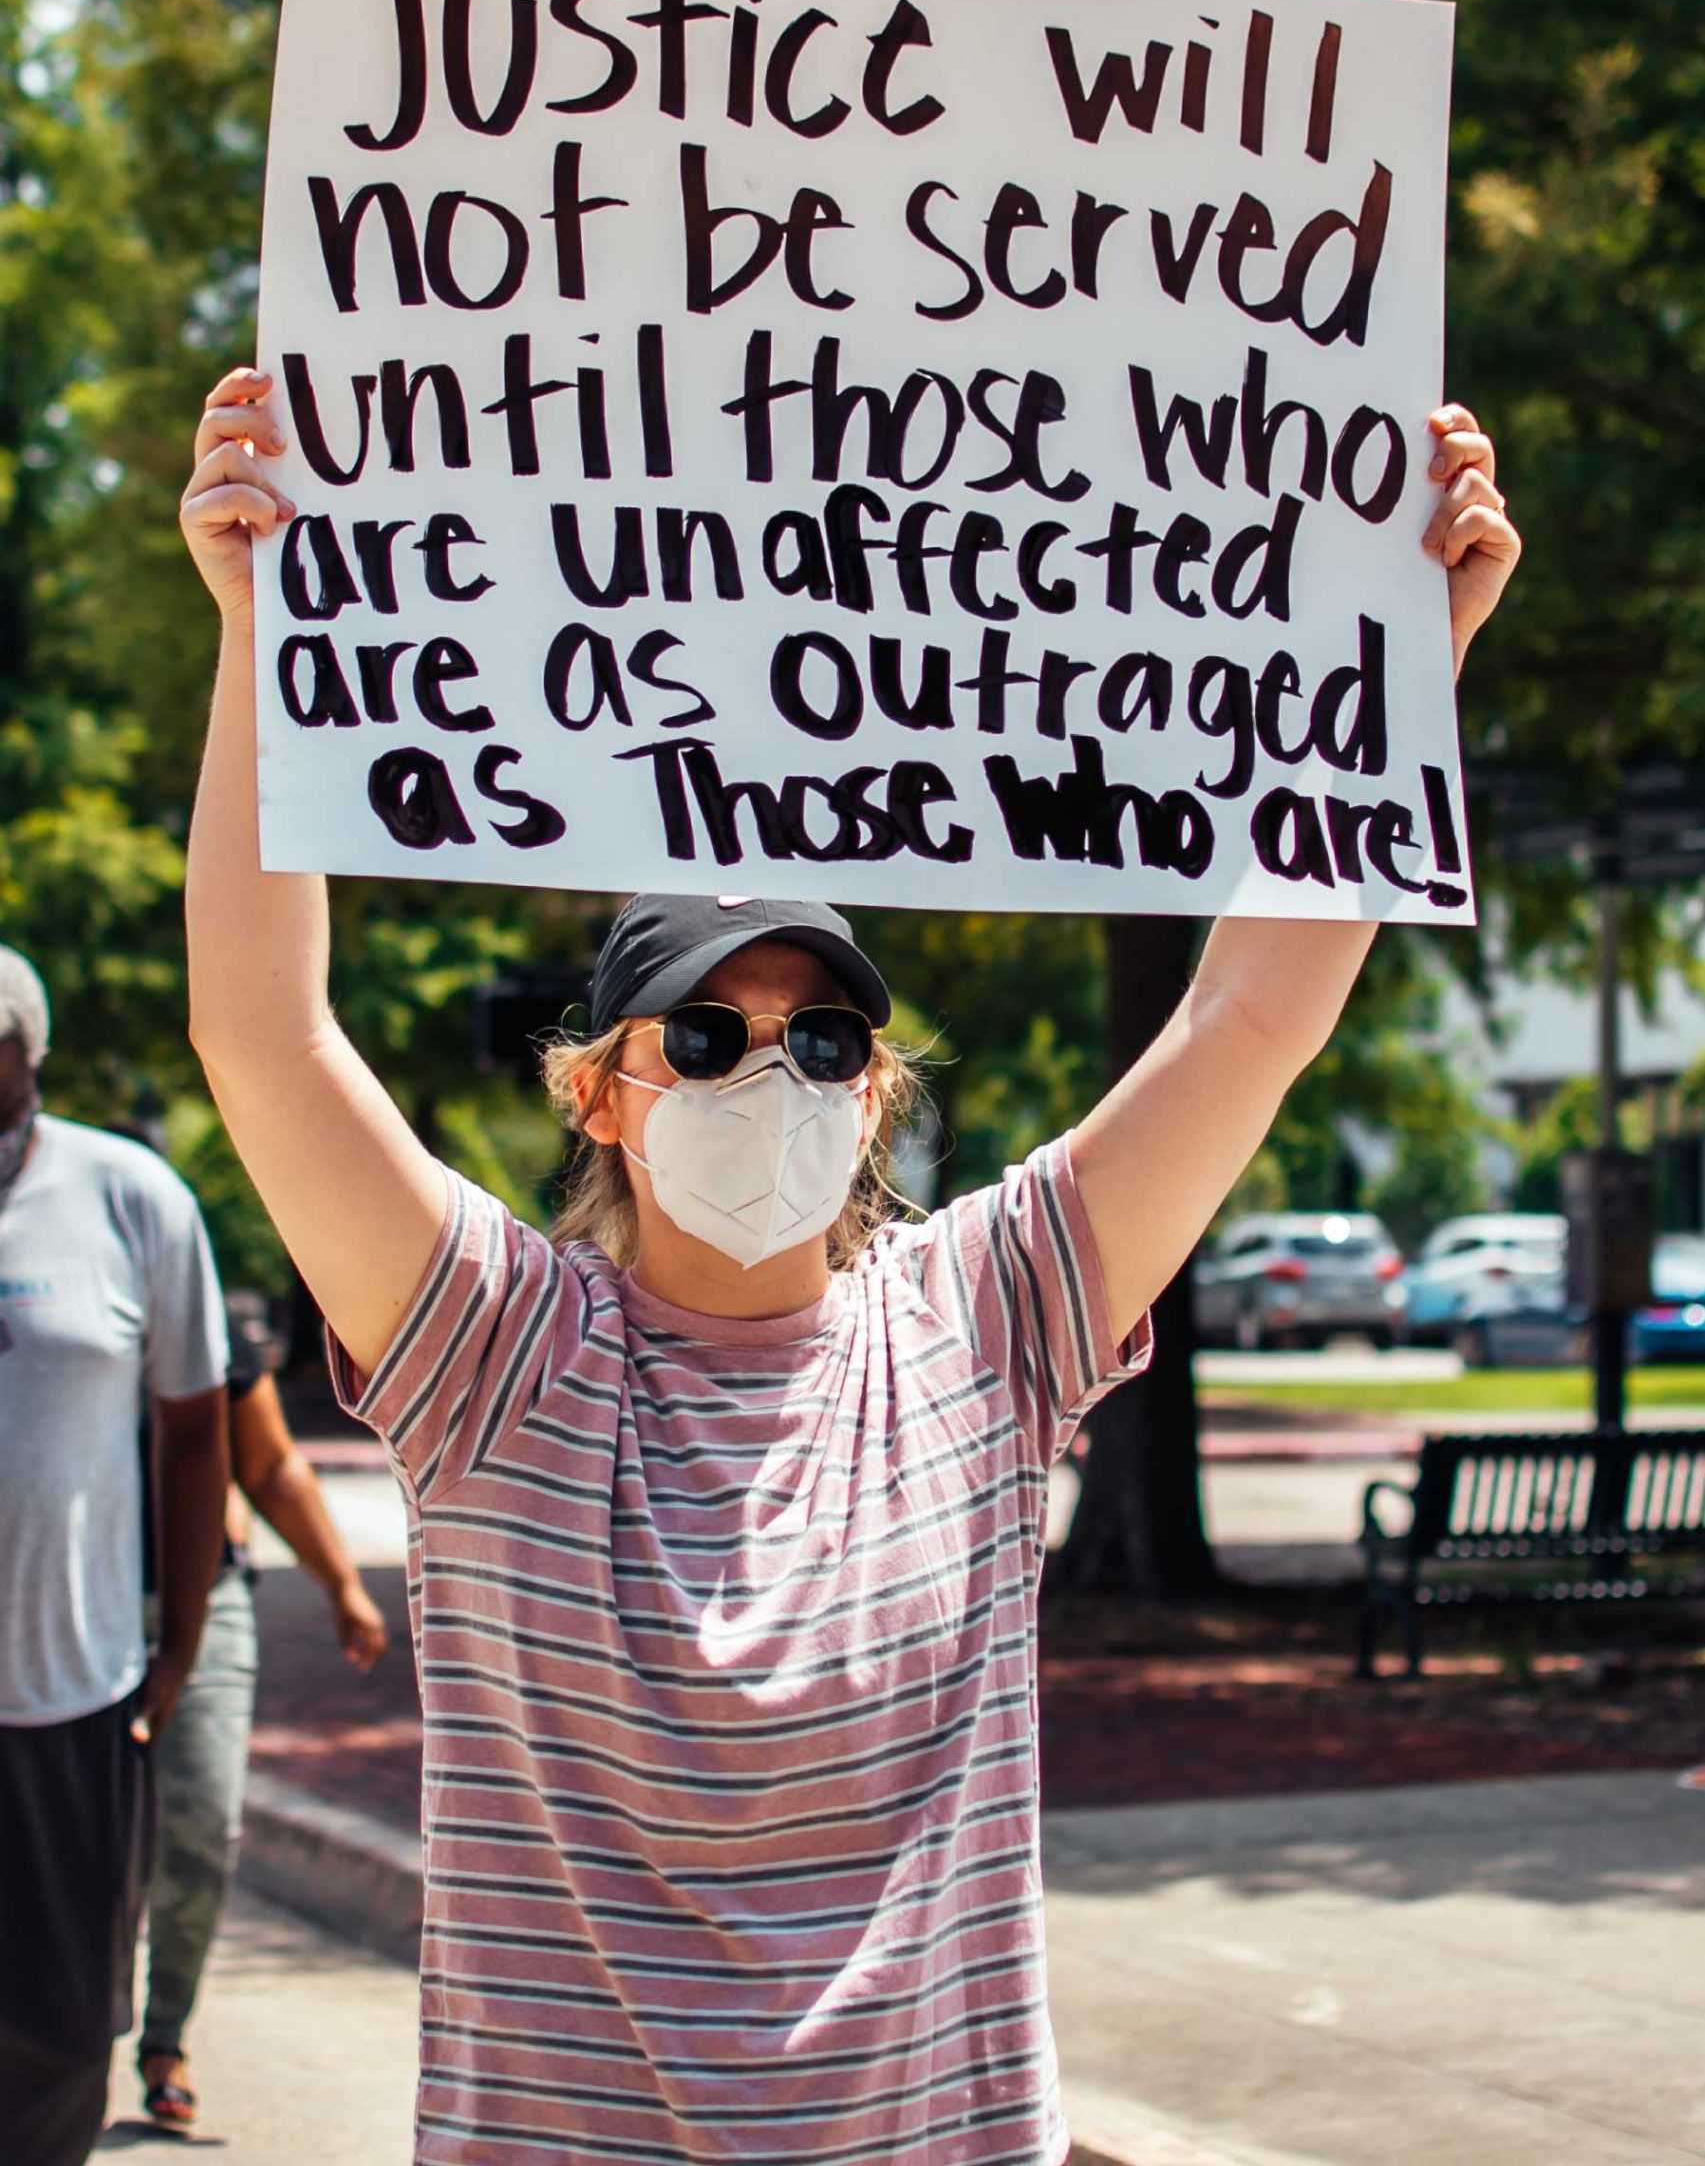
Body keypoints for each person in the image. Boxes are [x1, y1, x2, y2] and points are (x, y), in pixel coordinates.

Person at [179, 365, 1519, 2163]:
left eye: (819, 1046)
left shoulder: (984, 1323)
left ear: (876, 1088)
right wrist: (261, 628)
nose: (770, 1077)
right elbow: (267, 1036)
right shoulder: (489, 1351)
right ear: (598, 1093)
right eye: (707, 1042)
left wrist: (1396, 666)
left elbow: (1248, 1018)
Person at [0, 948, 229, 2166]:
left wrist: (179, 1639)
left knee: (60, 2024)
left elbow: (196, 1429)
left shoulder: (127, 1195)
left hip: (68, 1699)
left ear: (27, 1054)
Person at [138, 1308, 390, 2135]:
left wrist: (342, 1585)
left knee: (204, 1821)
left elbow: (272, 1464)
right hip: (59, 1604)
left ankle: (164, 2037)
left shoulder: (188, 1298)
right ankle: (64, 2028)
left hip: (206, 1599)